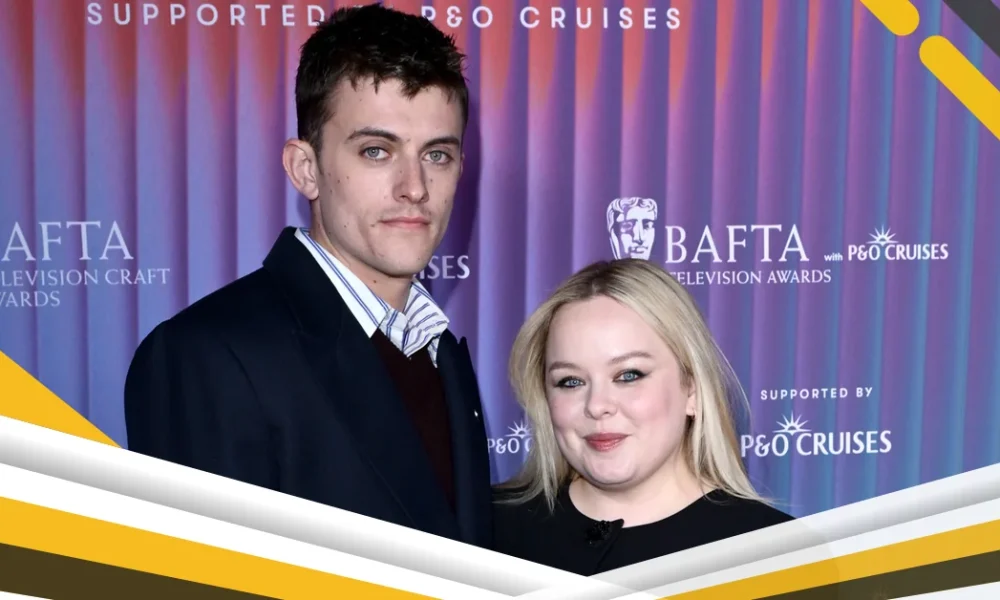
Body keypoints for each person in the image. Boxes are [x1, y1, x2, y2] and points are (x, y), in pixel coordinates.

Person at [124, 4, 492, 548]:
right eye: (376, 151)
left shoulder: (440, 354)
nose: (414, 187)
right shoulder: (206, 355)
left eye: (437, 155)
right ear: (305, 169)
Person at [492, 259, 793, 575]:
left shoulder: (780, 558)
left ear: (692, 389)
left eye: (628, 375)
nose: (597, 405)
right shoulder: (483, 531)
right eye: (571, 381)